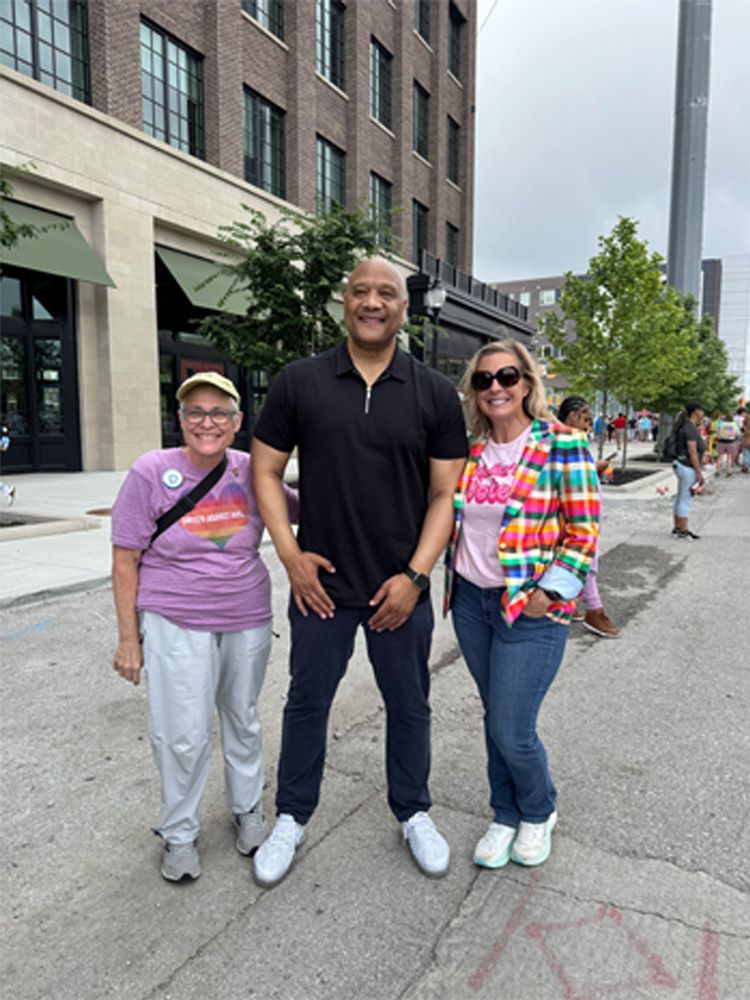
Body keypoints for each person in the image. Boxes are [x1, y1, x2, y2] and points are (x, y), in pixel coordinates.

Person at [251, 256, 467, 887]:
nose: (373, 302)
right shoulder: (299, 381)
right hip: (320, 585)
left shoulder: (434, 393)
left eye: (387, 293)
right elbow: (264, 470)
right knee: (306, 703)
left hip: (400, 586)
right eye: (361, 291)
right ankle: (292, 816)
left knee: (409, 704)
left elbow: (444, 496)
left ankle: (414, 811)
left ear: (404, 307)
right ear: (343, 301)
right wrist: (290, 556)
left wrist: (416, 577)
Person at [111, 371, 298, 882]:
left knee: (242, 718)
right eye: (195, 412)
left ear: (238, 422)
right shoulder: (151, 472)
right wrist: (128, 639)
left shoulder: (251, 469)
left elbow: (303, 509)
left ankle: (247, 810)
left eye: (219, 413)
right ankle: (179, 832)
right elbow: (125, 559)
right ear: (180, 419)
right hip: (174, 617)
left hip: (245, 615)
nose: (207, 422)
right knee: (182, 732)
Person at [444, 342, 600, 871]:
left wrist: (550, 593)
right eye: (483, 380)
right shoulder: (470, 451)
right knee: (496, 717)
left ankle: (538, 809)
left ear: (527, 383)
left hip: (529, 608)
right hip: (471, 602)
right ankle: (505, 813)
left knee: (513, 728)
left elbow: (583, 532)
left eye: (507, 376)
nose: (495, 387)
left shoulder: (562, 444)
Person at [558, 397, 620, 638]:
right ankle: (594, 610)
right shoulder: (563, 440)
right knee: (587, 557)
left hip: (586, 506)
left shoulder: (572, 439)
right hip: (576, 510)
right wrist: (594, 468)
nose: (588, 424)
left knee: (581, 555)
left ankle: (570, 601)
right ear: (572, 416)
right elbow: (568, 474)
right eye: (585, 418)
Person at [670, 401, 706, 540]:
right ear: (695, 411)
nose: (703, 413)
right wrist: (698, 472)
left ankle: (678, 526)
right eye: (701, 410)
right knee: (685, 499)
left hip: (680, 464)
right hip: (687, 466)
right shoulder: (690, 428)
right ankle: (683, 529)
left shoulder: (684, 426)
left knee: (680, 497)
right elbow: (692, 451)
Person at [714, 412, 738, 476]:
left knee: (720, 457)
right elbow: (737, 433)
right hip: (730, 441)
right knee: (729, 457)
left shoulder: (720, 423)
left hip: (721, 441)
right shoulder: (734, 424)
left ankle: (717, 471)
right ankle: (729, 471)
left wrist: (719, 436)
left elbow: (717, 432)